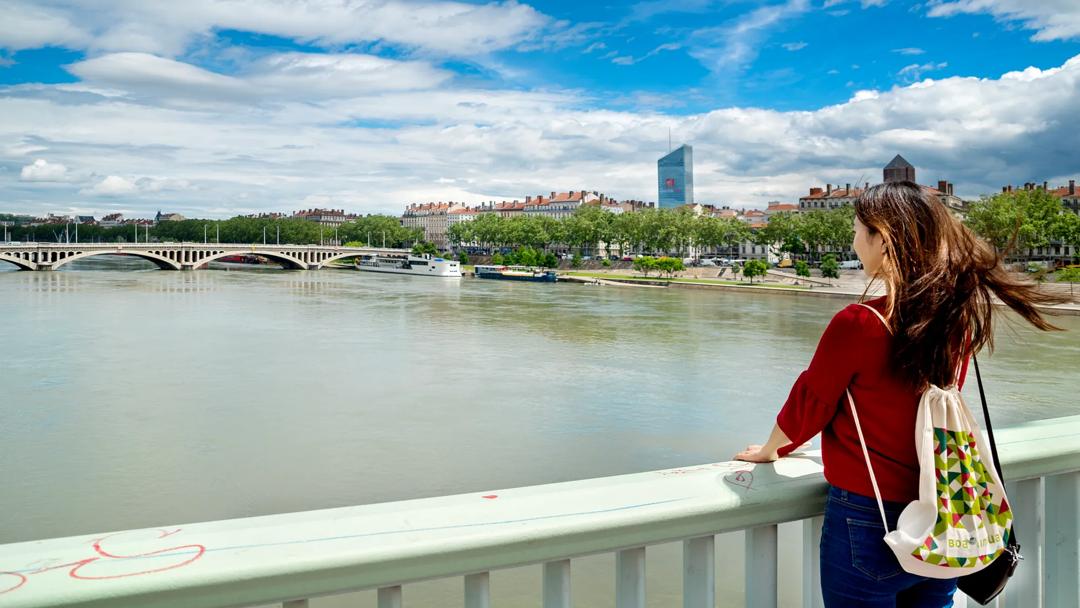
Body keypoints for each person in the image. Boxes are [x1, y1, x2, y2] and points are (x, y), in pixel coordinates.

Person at [734, 181, 1060, 607]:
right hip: (940, 513)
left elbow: (810, 403)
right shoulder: (955, 318)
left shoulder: (859, 322)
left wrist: (772, 450)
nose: (852, 242)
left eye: (856, 231)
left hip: (868, 519)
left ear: (882, 239)